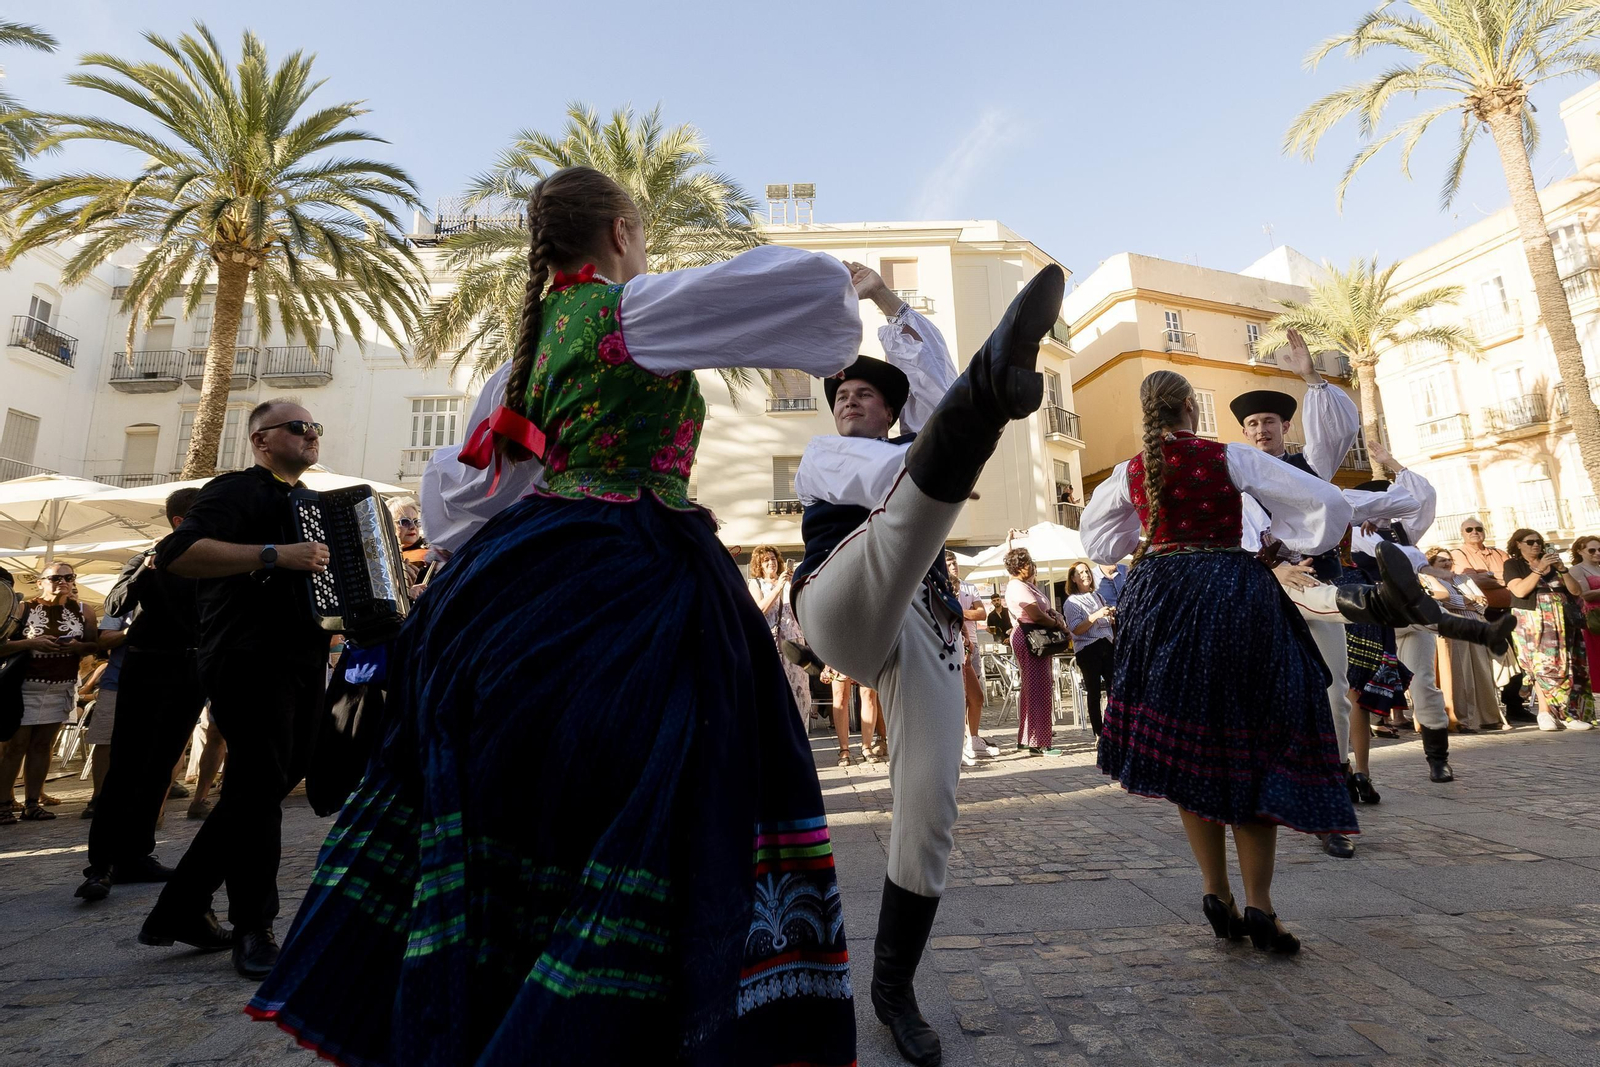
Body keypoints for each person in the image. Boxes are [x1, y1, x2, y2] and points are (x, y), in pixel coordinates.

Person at [249, 167, 861, 1066]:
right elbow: (817, 298)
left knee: (512, 820)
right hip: (640, 573)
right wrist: (849, 288)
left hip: (515, 584)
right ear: (619, 233)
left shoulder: (520, 363)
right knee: (697, 773)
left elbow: (453, 502)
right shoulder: (633, 311)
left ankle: (494, 996)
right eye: (642, 237)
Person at [791, 258, 1063, 1066]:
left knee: (932, 805)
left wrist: (881, 296)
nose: (848, 399)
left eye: (864, 394)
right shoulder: (825, 456)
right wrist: (953, 432)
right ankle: (989, 398)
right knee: (905, 517)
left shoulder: (911, 440)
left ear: (893, 408)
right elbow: (900, 473)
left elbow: (931, 391)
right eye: (841, 392)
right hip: (842, 599)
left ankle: (893, 988)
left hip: (924, 617)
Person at [1084, 368, 1361, 956]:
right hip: (1232, 593)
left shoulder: (1130, 470)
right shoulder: (1228, 455)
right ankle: (1260, 903)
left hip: (1158, 599)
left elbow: (1100, 543)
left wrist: (1147, 539)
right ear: (1190, 407)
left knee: (1190, 746)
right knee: (1254, 739)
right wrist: (1291, 542)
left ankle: (1216, 894)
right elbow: (1328, 502)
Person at [137, 402, 332, 978]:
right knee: (259, 788)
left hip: (300, 656)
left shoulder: (308, 503)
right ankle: (254, 927)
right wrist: (275, 554)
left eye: (315, 427)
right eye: (299, 427)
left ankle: (181, 908)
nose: (311, 434)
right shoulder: (235, 489)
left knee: (264, 784)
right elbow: (176, 554)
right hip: (248, 656)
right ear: (261, 440)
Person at [74, 488, 208, 901]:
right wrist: (147, 568)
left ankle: (138, 854)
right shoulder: (147, 557)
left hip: (193, 669)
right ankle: (102, 864)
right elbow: (116, 603)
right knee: (129, 763)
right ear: (180, 523)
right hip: (148, 665)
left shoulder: (213, 558)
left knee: (162, 764)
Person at [0, 564, 98, 822]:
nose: (62, 582)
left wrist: (78, 646)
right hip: (24, 686)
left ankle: (33, 802)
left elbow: (95, 646)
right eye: (55, 578)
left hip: (61, 684)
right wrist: (32, 642)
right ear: (40, 582)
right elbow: (1, 645)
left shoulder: (83, 610)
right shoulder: (23, 608)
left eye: (69, 577)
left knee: (44, 745)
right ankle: (2, 804)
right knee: (15, 746)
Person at [1503, 528, 1596, 731]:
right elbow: (1519, 590)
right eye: (1530, 542)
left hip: (1562, 620)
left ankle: (1567, 713)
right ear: (1518, 544)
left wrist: (1562, 569)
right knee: (1542, 666)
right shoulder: (1514, 565)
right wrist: (1538, 570)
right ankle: (1548, 713)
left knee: (1568, 664)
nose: (1536, 545)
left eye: (1539, 541)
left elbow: (1576, 591)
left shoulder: (1553, 565)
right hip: (1532, 620)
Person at [1450, 517, 1528, 721]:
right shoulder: (1458, 554)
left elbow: (1510, 577)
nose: (1474, 532)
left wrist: (1493, 578)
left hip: (1510, 610)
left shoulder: (1499, 552)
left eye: (1478, 528)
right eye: (1469, 529)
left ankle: (1515, 705)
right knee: (1492, 659)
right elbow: (1470, 580)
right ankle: (1489, 709)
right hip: (1485, 613)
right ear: (1462, 533)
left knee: (1516, 656)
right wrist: (1504, 580)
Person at [1420, 548, 1505, 732]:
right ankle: (1463, 719)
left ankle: (1488, 717)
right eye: (1441, 560)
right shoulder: (1432, 580)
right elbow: (1444, 602)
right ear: (1431, 563)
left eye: (1449, 560)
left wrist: (1468, 601)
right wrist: (1468, 601)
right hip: (1455, 630)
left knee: (1483, 674)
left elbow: (1482, 602)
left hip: (1476, 627)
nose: (1447, 563)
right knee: (1461, 676)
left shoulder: (1463, 579)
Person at [1003, 546, 1067, 754]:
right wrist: (1057, 625)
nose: (1032, 565)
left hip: (1032, 636)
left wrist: (1054, 614)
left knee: (1032, 687)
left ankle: (1027, 737)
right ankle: (1038, 741)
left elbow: (1043, 609)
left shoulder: (1025, 585)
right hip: (1031, 636)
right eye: (1029, 562)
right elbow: (1036, 615)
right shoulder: (1017, 587)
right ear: (1021, 566)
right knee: (1039, 688)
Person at [748, 545, 813, 731]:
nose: (771, 562)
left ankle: (801, 740)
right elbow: (759, 611)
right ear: (759, 565)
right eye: (766, 560)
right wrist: (778, 588)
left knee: (800, 694)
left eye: (773, 558)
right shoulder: (757, 583)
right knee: (775, 693)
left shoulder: (788, 582)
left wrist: (794, 587)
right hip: (773, 646)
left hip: (796, 644)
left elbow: (802, 612)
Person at [947, 551, 998, 766]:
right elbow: (952, 614)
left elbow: (981, 614)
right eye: (949, 564)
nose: (954, 566)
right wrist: (963, 611)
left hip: (966, 646)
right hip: (950, 648)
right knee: (958, 698)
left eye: (955, 563)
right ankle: (956, 746)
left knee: (975, 696)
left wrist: (960, 613)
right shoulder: (941, 589)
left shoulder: (967, 586)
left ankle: (973, 738)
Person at [1063, 560, 1114, 737]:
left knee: (1114, 689)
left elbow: (1104, 623)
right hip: (1088, 648)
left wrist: (1110, 617)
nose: (1085, 575)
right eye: (1080, 573)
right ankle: (1099, 734)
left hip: (1107, 643)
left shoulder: (1098, 597)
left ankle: (1113, 727)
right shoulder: (1071, 602)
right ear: (1073, 579)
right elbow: (1076, 629)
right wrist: (1095, 616)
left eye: (1087, 572)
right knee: (1094, 692)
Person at [1566, 534, 1600, 691]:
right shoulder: (1576, 569)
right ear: (1580, 551)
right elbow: (1583, 594)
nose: (1597, 553)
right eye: (1592, 550)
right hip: (1594, 617)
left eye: (1599, 549)